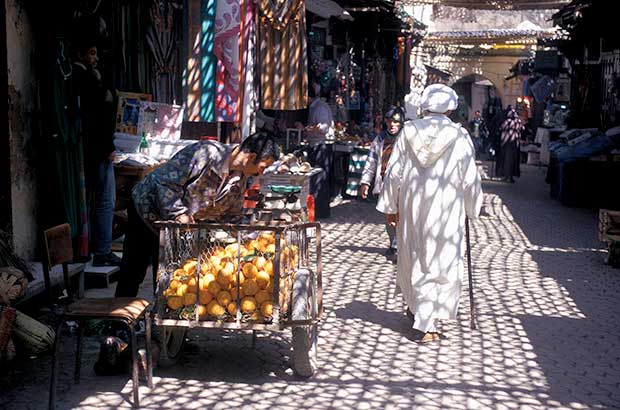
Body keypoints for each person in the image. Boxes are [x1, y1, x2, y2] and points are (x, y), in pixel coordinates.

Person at [377, 84, 483, 343]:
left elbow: (393, 174)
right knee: (440, 259)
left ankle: (416, 308)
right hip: (446, 207)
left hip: (413, 206)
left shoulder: (408, 131)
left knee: (414, 254)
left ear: (425, 106)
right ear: (451, 107)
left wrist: (391, 207)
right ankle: (426, 322)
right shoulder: (459, 137)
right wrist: (472, 208)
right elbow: (471, 180)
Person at [114, 132, 280, 297]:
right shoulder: (205, 153)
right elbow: (165, 183)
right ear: (251, 157)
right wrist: (180, 213)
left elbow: (231, 217)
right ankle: (119, 323)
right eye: (263, 167)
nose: (262, 173)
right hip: (146, 210)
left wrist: (256, 238)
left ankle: (158, 319)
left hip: (173, 229)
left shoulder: (240, 181)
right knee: (133, 271)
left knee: (168, 278)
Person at [72, 37, 120, 267]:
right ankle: (101, 250)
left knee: (95, 200)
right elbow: (98, 119)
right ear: (80, 54)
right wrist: (108, 148)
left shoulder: (81, 77)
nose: (96, 58)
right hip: (97, 150)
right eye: (91, 53)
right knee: (104, 199)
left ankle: (95, 248)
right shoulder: (86, 78)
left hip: (90, 149)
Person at [359, 106, 405, 258]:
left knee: (401, 215)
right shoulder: (379, 139)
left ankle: (399, 245)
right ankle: (393, 243)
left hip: (403, 183)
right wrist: (365, 182)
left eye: (396, 122)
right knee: (389, 215)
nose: (392, 125)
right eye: (389, 121)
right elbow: (371, 161)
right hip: (385, 183)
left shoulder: (407, 139)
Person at [495, 107, 524, 183]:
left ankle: (507, 176)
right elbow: (523, 129)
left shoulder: (506, 122)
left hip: (506, 144)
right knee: (512, 161)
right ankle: (509, 177)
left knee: (506, 160)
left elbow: (500, 129)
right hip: (514, 144)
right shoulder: (518, 122)